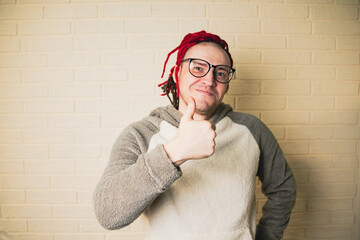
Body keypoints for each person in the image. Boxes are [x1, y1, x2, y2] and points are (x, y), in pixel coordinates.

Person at [93, 31, 296, 240]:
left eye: (220, 73)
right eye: (198, 68)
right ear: (175, 73)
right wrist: (174, 152)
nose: (209, 80)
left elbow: (283, 189)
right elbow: (107, 214)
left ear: (227, 83)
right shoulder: (141, 134)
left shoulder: (252, 130)